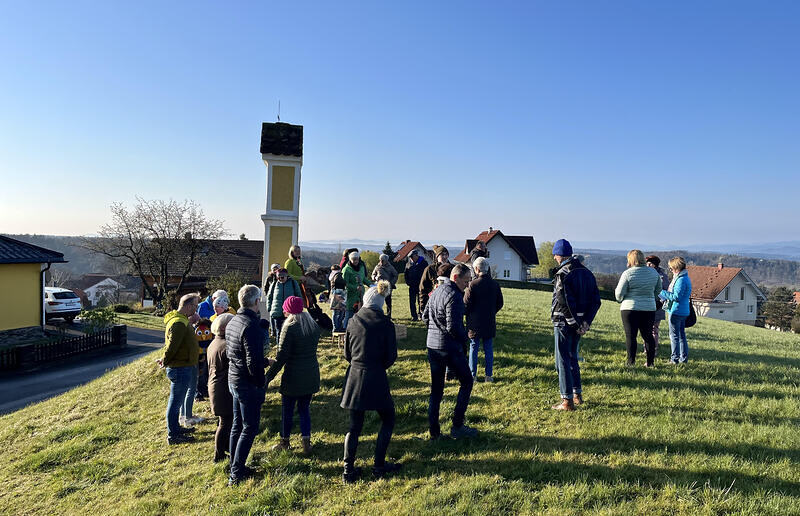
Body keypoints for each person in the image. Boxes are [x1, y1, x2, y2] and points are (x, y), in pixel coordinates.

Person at [340, 280, 400, 483]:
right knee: (388, 419)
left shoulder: (353, 321)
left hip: (355, 376)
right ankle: (378, 465)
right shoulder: (386, 324)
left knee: (354, 426)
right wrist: (378, 366)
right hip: (376, 375)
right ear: (381, 303)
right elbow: (391, 357)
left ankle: (348, 470)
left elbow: (347, 354)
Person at [422, 263, 477, 439]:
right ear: (455, 278)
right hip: (449, 348)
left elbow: (425, 316)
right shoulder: (454, 296)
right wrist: (465, 338)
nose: (467, 285)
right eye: (466, 281)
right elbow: (453, 327)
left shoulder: (437, 290)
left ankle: (434, 432)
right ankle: (457, 425)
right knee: (467, 381)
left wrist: (435, 331)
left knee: (436, 390)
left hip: (433, 346)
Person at [265, 296, 321, 455]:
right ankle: (306, 442)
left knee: (287, 410)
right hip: (311, 373)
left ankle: (285, 441)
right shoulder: (312, 326)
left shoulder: (289, 328)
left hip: (293, 376)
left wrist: (268, 377)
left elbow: (282, 357)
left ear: (288, 311)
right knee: (304, 409)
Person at [226, 285, 269, 486]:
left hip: (234, 378)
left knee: (237, 425)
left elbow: (237, 353)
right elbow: (252, 362)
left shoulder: (233, 321)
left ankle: (235, 465)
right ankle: (236, 474)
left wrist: (264, 361)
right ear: (256, 301)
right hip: (247, 382)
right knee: (249, 427)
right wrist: (261, 383)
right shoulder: (252, 326)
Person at [550, 239, 601, 411]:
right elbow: (596, 301)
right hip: (580, 323)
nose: (555, 258)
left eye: (555, 255)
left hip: (564, 322)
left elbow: (563, 300)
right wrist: (586, 322)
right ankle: (577, 394)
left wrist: (573, 323)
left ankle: (566, 400)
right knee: (573, 357)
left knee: (562, 360)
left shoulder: (563, 273)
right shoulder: (587, 273)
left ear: (559, 255)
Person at [161, 292, 201, 444]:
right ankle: (173, 435)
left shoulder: (182, 320)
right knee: (175, 403)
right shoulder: (178, 323)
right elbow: (172, 347)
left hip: (183, 366)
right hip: (180, 368)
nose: (196, 310)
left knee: (177, 401)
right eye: (195, 306)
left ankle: (176, 428)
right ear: (188, 306)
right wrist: (165, 361)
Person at [615, 250, 662, 367]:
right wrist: (650, 298)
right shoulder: (654, 273)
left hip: (630, 308)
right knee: (648, 336)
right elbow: (658, 291)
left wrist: (621, 299)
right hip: (648, 308)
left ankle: (631, 362)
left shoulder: (627, 273)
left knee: (631, 336)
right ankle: (650, 362)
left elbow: (619, 293)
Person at [464, 257, 504, 382]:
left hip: (474, 322)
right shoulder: (495, 285)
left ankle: (473, 375)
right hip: (489, 320)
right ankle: (488, 375)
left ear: (476, 269)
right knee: (488, 348)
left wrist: (469, 313)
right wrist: (492, 312)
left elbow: (466, 304)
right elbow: (500, 303)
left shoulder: (472, 285)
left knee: (474, 348)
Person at [207, 313, 235, 462]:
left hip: (215, 386)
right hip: (222, 388)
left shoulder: (214, 343)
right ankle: (219, 455)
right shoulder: (226, 345)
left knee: (224, 421)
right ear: (224, 328)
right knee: (224, 423)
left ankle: (226, 448)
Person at [660, 256, 693, 364]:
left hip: (676, 311)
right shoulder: (685, 278)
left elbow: (676, 297)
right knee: (681, 336)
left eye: (671, 268)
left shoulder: (680, 280)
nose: (670, 270)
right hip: (683, 310)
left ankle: (674, 359)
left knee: (674, 336)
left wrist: (661, 292)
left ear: (676, 268)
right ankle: (683, 358)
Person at [266, 268, 302, 339]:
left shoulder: (293, 283)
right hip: (277, 312)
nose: (280, 279)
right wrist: (269, 308)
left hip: (290, 312)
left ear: (286, 276)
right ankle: (279, 345)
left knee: (289, 332)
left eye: (282, 277)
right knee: (279, 332)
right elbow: (269, 296)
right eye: (278, 277)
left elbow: (298, 296)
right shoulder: (274, 284)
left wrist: (298, 308)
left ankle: (288, 345)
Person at [646, 255, 670, 355]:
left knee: (654, 329)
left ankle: (653, 349)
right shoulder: (646, 274)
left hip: (657, 306)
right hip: (646, 304)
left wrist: (660, 302)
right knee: (646, 328)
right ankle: (646, 348)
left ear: (655, 265)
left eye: (650, 264)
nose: (648, 266)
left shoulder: (662, 277)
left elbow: (666, 291)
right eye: (647, 264)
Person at [342, 251, 370, 327]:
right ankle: (346, 329)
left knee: (360, 314)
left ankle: (358, 329)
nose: (355, 261)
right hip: (351, 296)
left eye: (357, 259)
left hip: (360, 295)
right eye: (353, 259)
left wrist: (371, 285)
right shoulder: (346, 270)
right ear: (350, 260)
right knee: (349, 314)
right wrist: (355, 287)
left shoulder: (361, 268)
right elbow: (345, 283)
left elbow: (364, 278)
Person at [419, 245, 450, 313]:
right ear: (437, 257)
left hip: (449, 303)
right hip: (433, 304)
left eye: (446, 254)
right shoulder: (429, 269)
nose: (445, 257)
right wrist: (423, 307)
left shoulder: (453, 268)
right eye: (442, 255)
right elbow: (423, 289)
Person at [371, 254, 399, 318]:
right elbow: (373, 275)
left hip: (387, 287)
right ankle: (379, 315)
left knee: (388, 301)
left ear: (386, 260)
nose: (381, 261)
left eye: (383, 260)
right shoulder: (377, 267)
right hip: (379, 286)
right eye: (380, 260)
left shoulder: (390, 267)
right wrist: (375, 278)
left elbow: (395, 275)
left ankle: (389, 315)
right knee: (378, 301)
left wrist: (391, 283)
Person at [404, 250, 427, 321]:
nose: (411, 258)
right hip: (412, 286)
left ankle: (421, 315)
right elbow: (406, 274)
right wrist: (408, 282)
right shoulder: (408, 264)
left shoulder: (424, 263)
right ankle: (414, 316)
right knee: (412, 301)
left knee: (421, 301)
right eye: (410, 257)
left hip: (421, 286)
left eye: (412, 256)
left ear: (416, 255)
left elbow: (426, 274)